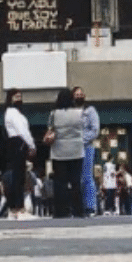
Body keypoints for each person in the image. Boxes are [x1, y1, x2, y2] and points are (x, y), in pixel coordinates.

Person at [45, 88, 85, 218]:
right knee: (75, 182)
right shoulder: (79, 113)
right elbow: (83, 127)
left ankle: (61, 211)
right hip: (76, 150)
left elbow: (50, 129)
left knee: (60, 183)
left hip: (59, 151)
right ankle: (78, 210)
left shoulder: (54, 114)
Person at [4, 88, 36, 220]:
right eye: (15, 97)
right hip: (19, 142)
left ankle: (14, 208)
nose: (19, 99)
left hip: (16, 143)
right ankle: (19, 208)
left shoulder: (15, 113)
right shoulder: (12, 112)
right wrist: (32, 145)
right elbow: (22, 130)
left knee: (17, 176)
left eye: (20, 96)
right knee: (19, 177)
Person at [74, 87, 100, 216]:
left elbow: (95, 130)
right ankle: (78, 206)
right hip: (72, 149)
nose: (79, 96)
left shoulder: (90, 111)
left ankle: (90, 206)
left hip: (87, 147)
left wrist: (81, 140)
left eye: (81, 94)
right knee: (76, 178)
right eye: (76, 94)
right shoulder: (70, 112)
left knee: (87, 177)